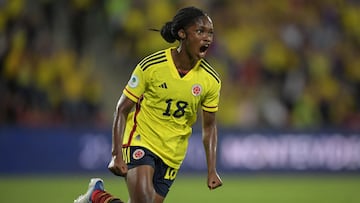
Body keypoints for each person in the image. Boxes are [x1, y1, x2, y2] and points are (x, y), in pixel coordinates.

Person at [74, 6, 223, 203]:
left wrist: (212, 170)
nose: (207, 38)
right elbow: (122, 109)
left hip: (172, 154)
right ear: (182, 34)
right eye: (200, 31)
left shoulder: (211, 80)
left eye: (210, 33)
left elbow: (209, 126)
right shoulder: (152, 66)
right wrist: (116, 154)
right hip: (141, 139)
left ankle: (97, 196)